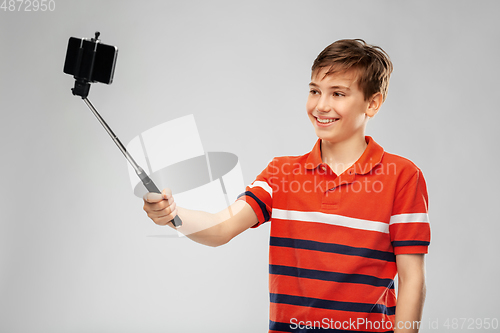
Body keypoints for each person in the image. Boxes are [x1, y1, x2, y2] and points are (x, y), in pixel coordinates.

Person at [143, 39, 430, 333]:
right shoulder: (281, 173)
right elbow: (220, 227)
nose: (321, 105)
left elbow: (412, 279)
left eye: (338, 94)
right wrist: (173, 216)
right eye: (315, 91)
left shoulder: (403, 177)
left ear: (373, 103)